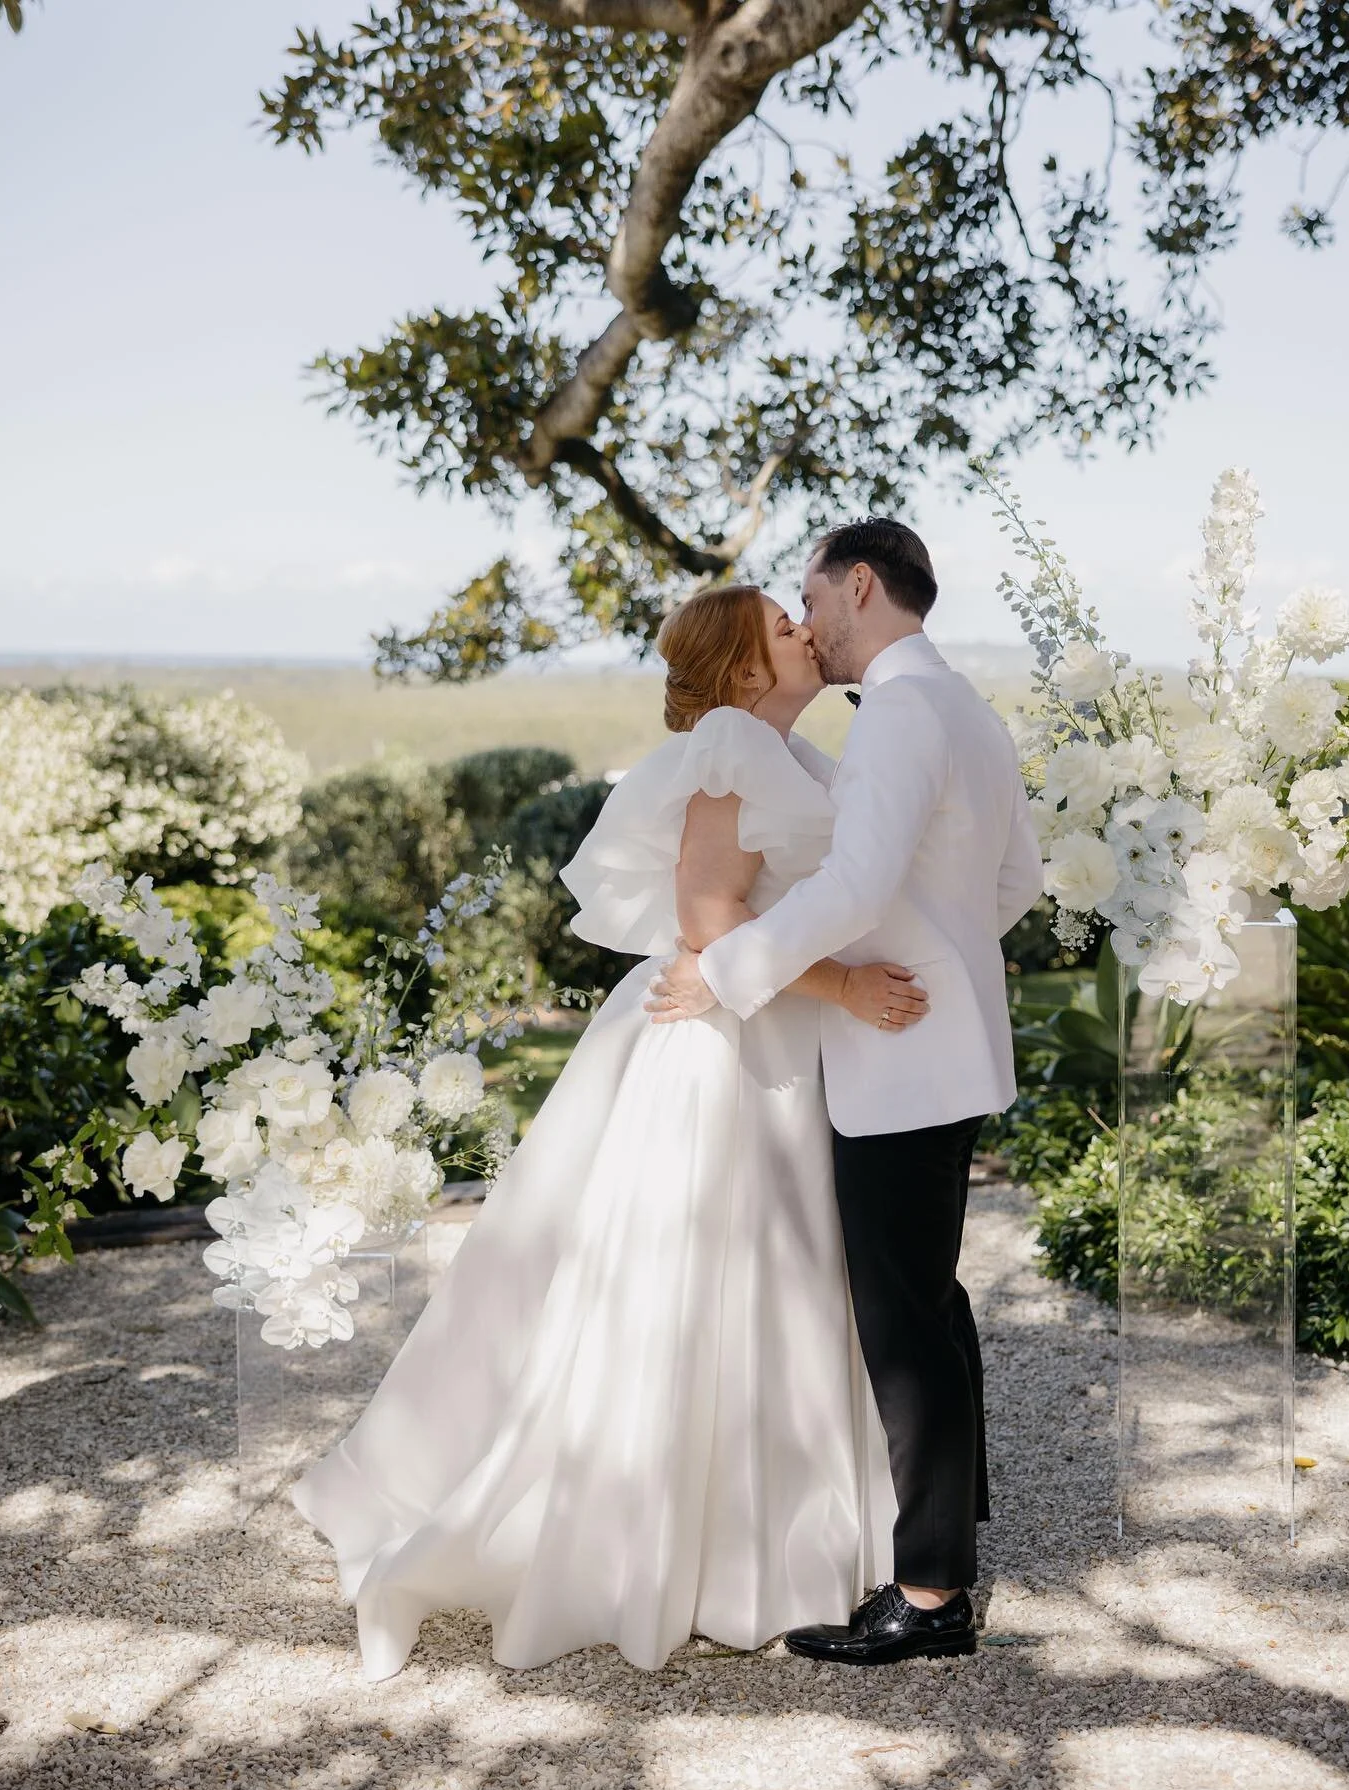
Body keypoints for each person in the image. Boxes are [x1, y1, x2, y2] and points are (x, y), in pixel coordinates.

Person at [290, 582, 933, 1677]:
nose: (805, 632)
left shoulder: (787, 750)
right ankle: (695, 1546)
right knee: (709, 1277)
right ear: (739, 671)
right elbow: (709, 918)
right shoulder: (735, 742)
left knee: (772, 1279)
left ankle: (766, 1536)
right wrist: (849, 989)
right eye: (784, 626)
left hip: (761, 1033)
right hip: (734, 1048)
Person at [648, 518, 1044, 1666]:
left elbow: (860, 885)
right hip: (944, 1045)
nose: (809, 622)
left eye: (812, 597)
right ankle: (944, 1548)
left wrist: (723, 972)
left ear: (858, 584)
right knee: (931, 1298)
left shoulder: (900, 716)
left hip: (901, 1056)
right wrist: (943, 956)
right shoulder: (965, 706)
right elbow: (1009, 880)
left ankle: (927, 1598)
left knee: (903, 1317)